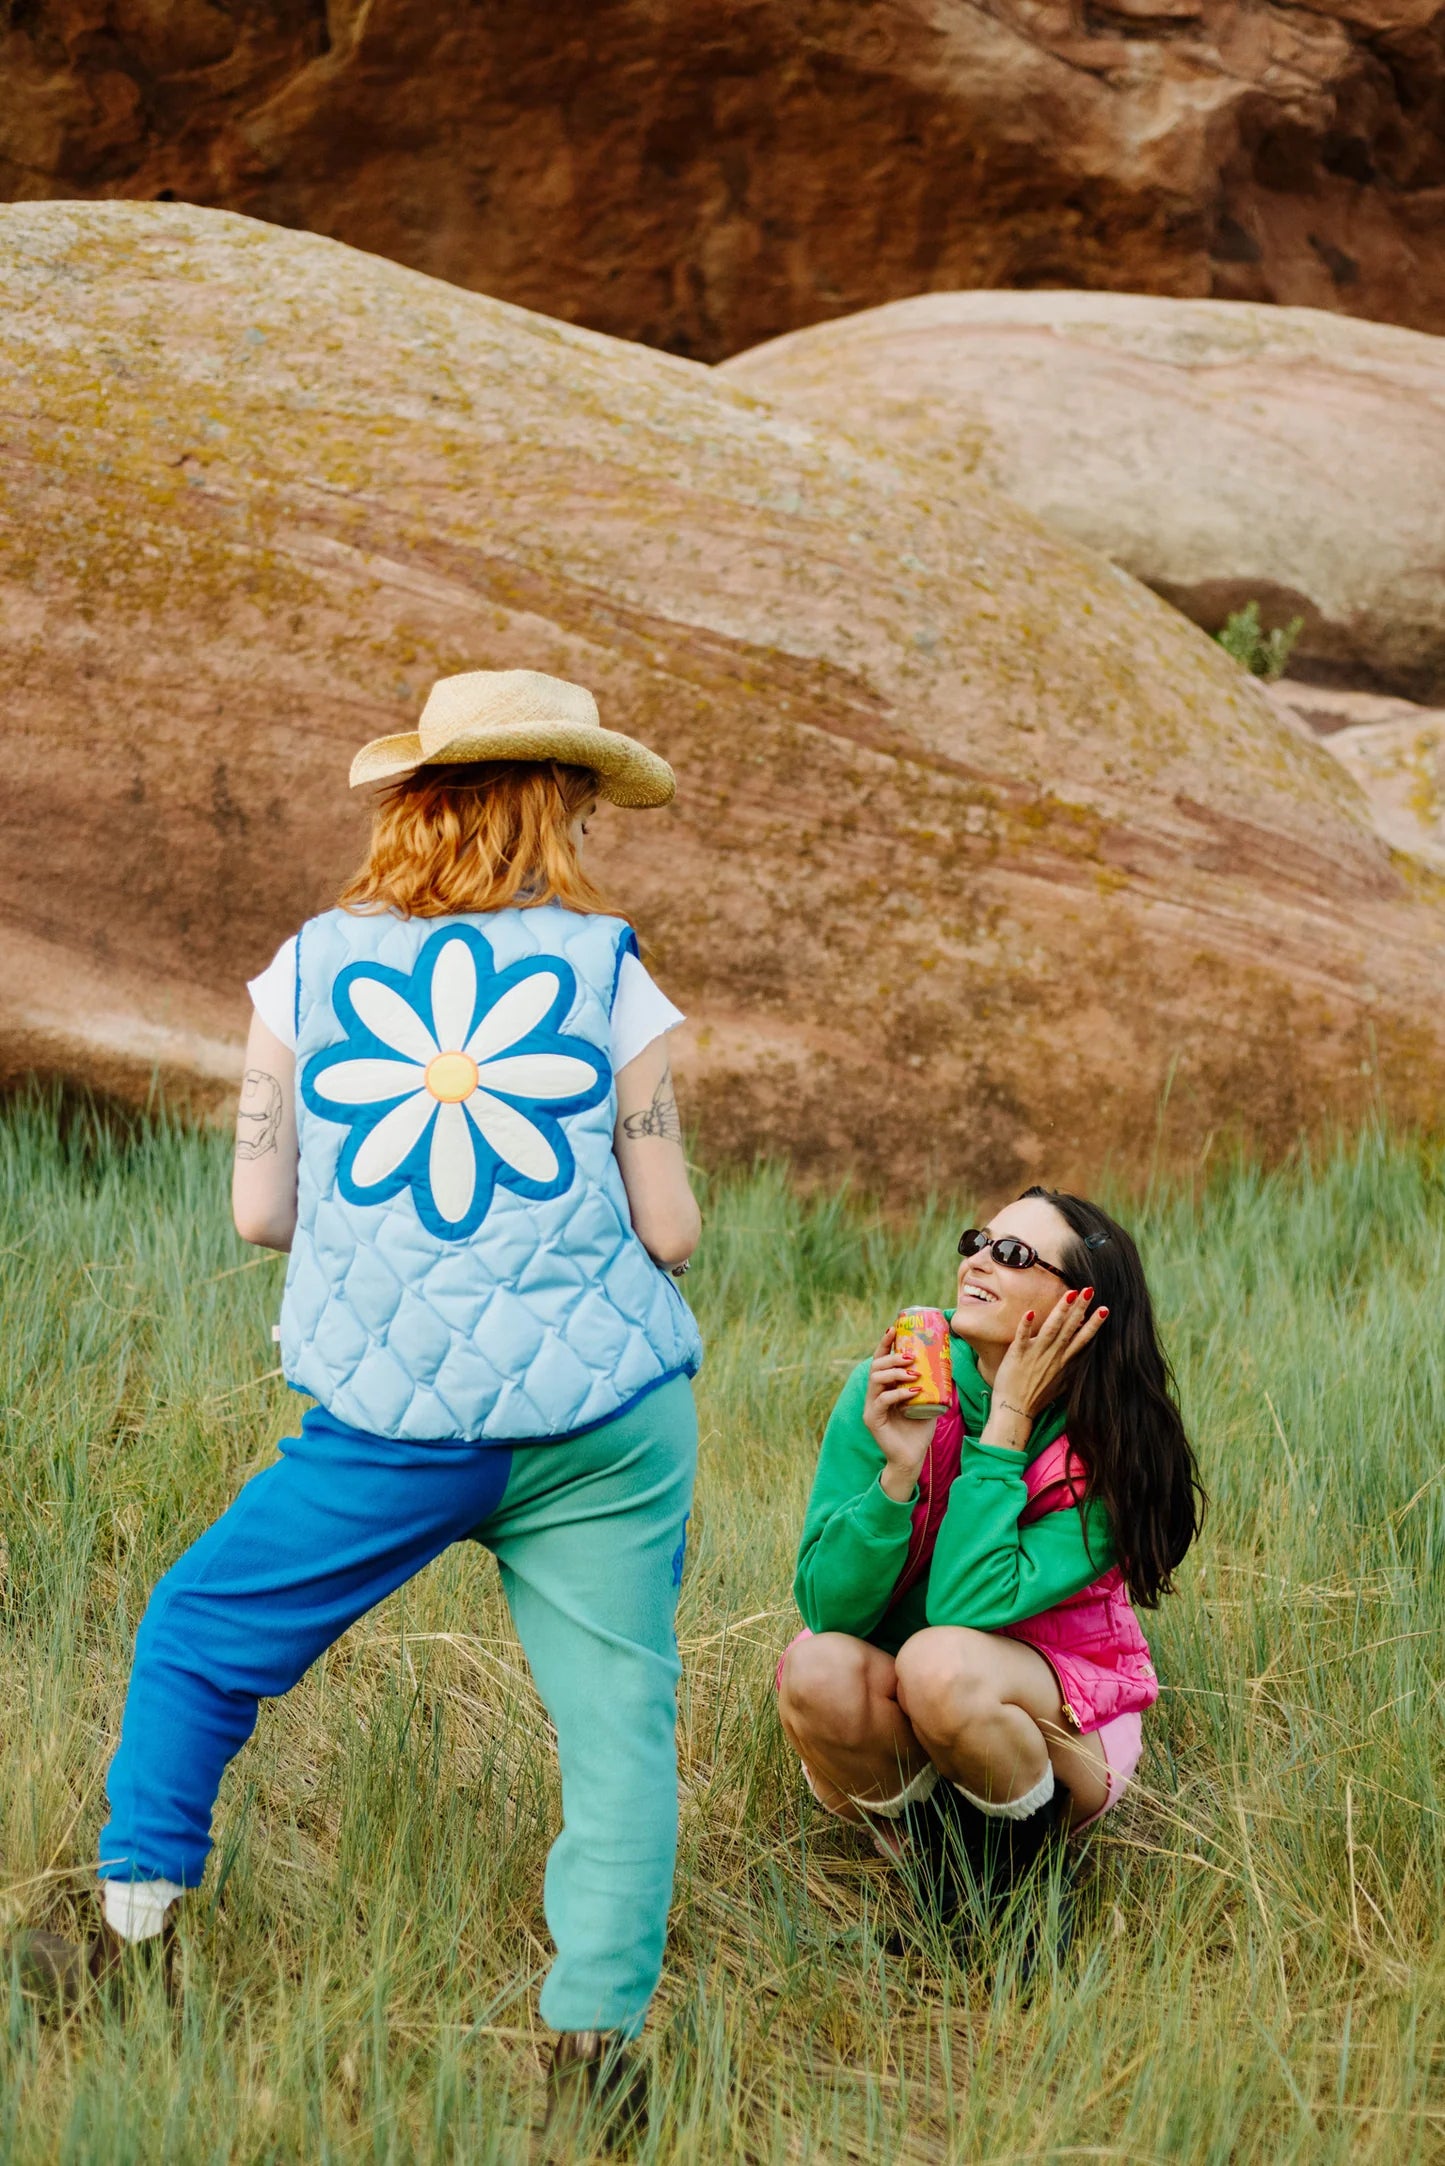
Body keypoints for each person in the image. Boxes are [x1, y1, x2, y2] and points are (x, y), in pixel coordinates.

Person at [19, 670, 702, 2134]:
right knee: (617, 1729)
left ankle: (133, 1946)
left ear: (416, 797)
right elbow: (674, 1228)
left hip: (392, 1422)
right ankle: (597, 2062)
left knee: (202, 1631)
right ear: (559, 806)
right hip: (608, 1421)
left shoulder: (307, 970)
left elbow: (261, 1209)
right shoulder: (608, 968)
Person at [777, 1187, 1203, 1902]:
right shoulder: (892, 1387)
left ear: (1079, 1304)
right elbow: (829, 1609)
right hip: (914, 1698)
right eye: (976, 1241)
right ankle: (938, 1868)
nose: (977, 1261)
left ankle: (1029, 1882)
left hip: (1060, 1720)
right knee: (814, 1669)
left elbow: (963, 1604)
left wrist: (1006, 1424)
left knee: (938, 1662)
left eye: (1011, 1255)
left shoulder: (1109, 1444)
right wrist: (897, 1474)